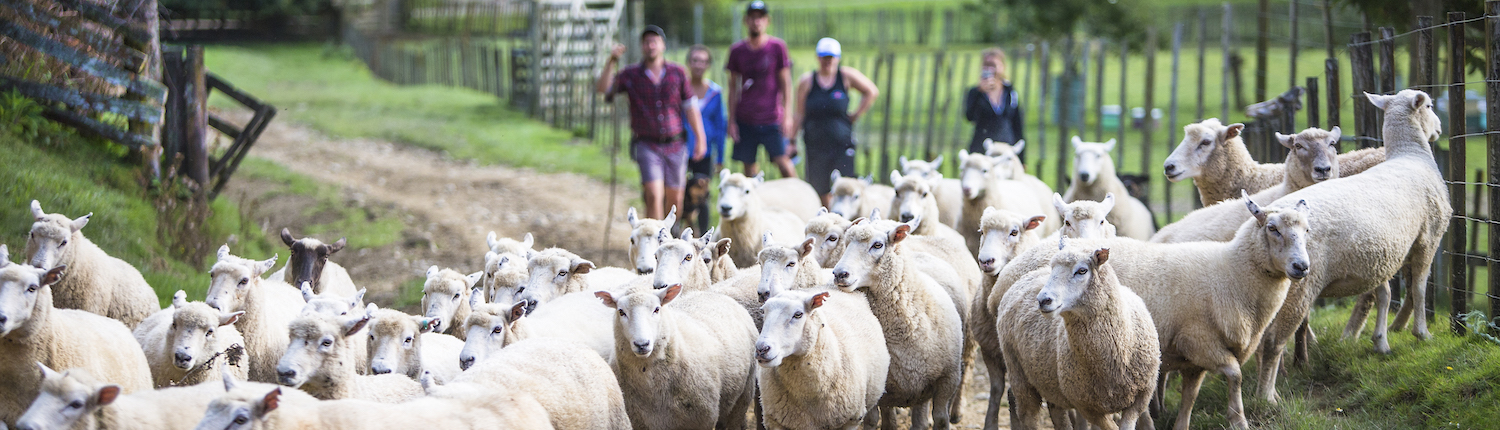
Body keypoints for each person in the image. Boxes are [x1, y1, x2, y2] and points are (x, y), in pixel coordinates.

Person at [595, 25, 707, 220]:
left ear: (663, 45)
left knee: (676, 199)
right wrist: (611, 61)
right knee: (654, 195)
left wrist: (700, 138)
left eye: (655, 41)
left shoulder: (677, 73)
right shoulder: (630, 75)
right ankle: (654, 240)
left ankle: (670, 234)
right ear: (642, 47)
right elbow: (603, 89)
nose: (651, 45)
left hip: (676, 144)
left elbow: (691, 107)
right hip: (647, 144)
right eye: (647, 42)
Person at [790, 37, 879, 207]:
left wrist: (856, 114)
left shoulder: (845, 77)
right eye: (824, 57)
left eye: (831, 58)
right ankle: (827, 218)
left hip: (841, 143)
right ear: (818, 58)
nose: (827, 62)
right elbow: (799, 114)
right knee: (819, 188)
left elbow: (871, 91)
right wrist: (792, 140)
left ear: (837, 58)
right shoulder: (807, 82)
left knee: (844, 185)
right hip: (815, 144)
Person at [726, 0, 797, 179]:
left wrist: (787, 116)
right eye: (752, 18)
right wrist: (732, 121)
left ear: (767, 21)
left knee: (784, 163)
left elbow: (786, 84)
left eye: (760, 18)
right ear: (745, 21)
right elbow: (732, 88)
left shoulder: (777, 47)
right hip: (746, 118)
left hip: (772, 117)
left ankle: (798, 196)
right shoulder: (737, 51)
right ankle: (754, 203)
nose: (756, 21)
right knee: (749, 168)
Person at [682, 44, 727, 233]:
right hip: (681, 150)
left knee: (703, 197)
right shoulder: (681, 90)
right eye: (695, 61)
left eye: (703, 61)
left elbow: (720, 126)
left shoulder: (715, 93)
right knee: (679, 193)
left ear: (708, 65)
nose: (698, 65)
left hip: (705, 152)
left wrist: (720, 158)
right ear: (688, 63)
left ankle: (702, 235)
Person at [965, 47, 1026, 160]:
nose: (989, 69)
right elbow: (969, 117)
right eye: (986, 65)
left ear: (1002, 66)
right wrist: (980, 93)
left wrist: (1021, 158)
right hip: (983, 147)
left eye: (993, 65)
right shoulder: (975, 92)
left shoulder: (1010, 92)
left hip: (1006, 148)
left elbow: (1017, 125)